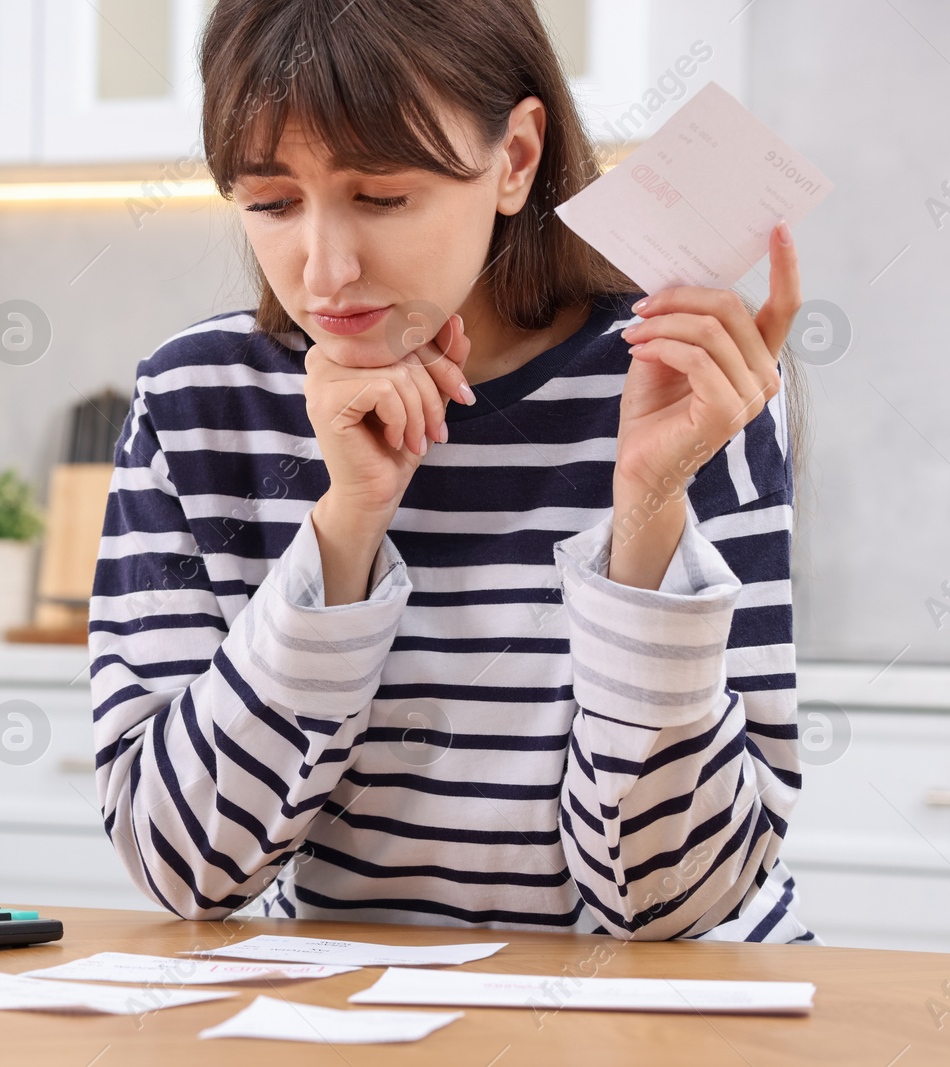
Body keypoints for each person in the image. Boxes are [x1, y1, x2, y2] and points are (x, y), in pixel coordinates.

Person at [88, 0, 816, 943]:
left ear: (515, 158)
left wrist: (646, 516)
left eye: (382, 196)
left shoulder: (681, 382)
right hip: (351, 1017)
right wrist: (347, 524)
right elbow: (185, 867)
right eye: (270, 204)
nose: (324, 272)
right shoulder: (198, 402)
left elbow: (675, 902)